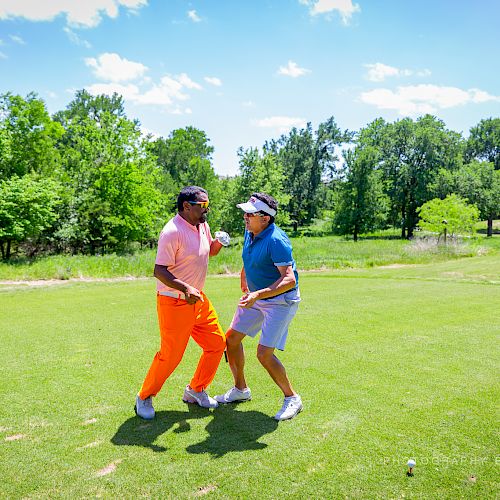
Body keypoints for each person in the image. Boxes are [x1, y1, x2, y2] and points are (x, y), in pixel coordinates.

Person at [135, 186, 228, 420]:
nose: (207, 209)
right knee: (171, 356)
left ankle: (196, 390)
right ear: (187, 206)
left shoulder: (202, 225)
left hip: (198, 300)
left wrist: (218, 243)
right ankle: (144, 396)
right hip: (174, 302)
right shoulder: (171, 231)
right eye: (203, 205)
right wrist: (185, 288)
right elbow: (159, 270)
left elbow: (207, 252)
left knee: (217, 343)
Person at [215, 193, 302, 421]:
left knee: (264, 354)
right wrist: (245, 275)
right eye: (245, 213)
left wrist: (258, 294)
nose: (245, 217)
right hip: (255, 296)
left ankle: (292, 397)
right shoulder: (250, 231)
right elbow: (248, 255)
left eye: (250, 214)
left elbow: (289, 279)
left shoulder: (277, 240)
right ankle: (240, 390)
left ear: (265, 218)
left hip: (280, 301)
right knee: (231, 339)